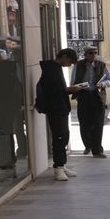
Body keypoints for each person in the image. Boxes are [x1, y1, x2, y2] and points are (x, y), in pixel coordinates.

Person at [35, 49, 81, 181]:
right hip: (55, 108)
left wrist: (67, 90)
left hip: (61, 107)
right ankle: (58, 167)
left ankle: (62, 164)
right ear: (64, 57)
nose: (69, 65)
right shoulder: (50, 70)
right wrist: (68, 90)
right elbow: (52, 90)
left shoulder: (57, 68)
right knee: (59, 137)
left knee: (64, 135)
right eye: (70, 61)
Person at [71, 47, 110, 156]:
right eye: (90, 53)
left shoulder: (101, 65)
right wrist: (76, 89)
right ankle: (88, 145)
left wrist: (103, 84)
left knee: (98, 123)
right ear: (85, 54)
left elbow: (109, 80)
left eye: (95, 53)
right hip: (84, 95)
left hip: (97, 96)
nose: (93, 55)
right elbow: (73, 80)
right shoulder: (79, 65)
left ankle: (97, 150)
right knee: (84, 123)